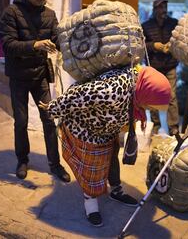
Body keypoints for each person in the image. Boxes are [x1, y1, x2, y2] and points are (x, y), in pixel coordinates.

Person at [39, 66, 171, 227]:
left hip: (107, 130)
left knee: (111, 159)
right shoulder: (111, 91)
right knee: (91, 169)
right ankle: (90, 201)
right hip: (86, 130)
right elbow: (79, 94)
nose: (151, 109)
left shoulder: (137, 90)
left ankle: (116, 190)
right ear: (147, 92)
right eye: (152, 105)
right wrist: (53, 107)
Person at [0, 0, 70, 182]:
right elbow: (8, 45)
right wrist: (35, 45)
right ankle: (22, 160)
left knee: (49, 120)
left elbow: (58, 40)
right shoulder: (10, 13)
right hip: (18, 76)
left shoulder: (49, 14)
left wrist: (69, 45)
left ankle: (55, 164)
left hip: (39, 75)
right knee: (21, 121)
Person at [142, 0, 179, 136]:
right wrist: (154, 46)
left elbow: (179, 40)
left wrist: (172, 45)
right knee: (153, 96)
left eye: (165, 7)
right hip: (154, 66)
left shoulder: (174, 23)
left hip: (170, 65)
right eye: (160, 7)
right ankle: (156, 125)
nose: (163, 10)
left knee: (172, 96)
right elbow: (142, 45)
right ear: (154, 9)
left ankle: (174, 126)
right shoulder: (146, 26)